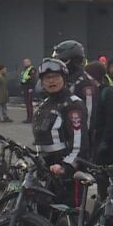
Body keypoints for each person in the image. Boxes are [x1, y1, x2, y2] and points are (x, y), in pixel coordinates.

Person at [32, 58, 88, 205]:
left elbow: (79, 142)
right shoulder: (44, 105)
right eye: (47, 78)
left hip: (67, 174)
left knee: (68, 221)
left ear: (64, 78)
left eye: (55, 77)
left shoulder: (73, 104)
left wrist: (66, 167)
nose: (51, 81)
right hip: (48, 172)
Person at [52, 40, 100, 158]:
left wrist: (77, 141)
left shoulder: (85, 84)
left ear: (74, 61)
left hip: (77, 142)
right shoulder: (67, 81)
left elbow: (89, 119)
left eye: (62, 61)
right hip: (61, 139)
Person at [84, 61, 113, 166]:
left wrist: (105, 142)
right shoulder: (92, 93)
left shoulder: (107, 93)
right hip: (95, 143)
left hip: (106, 144)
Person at [20, 58, 36, 123]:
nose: (24, 63)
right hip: (25, 88)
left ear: (29, 62)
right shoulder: (25, 69)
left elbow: (33, 79)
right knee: (27, 104)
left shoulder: (32, 69)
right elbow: (23, 79)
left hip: (29, 88)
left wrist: (31, 88)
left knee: (29, 104)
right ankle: (28, 118)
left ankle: (30, 118)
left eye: (26, 62)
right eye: (24, 62)